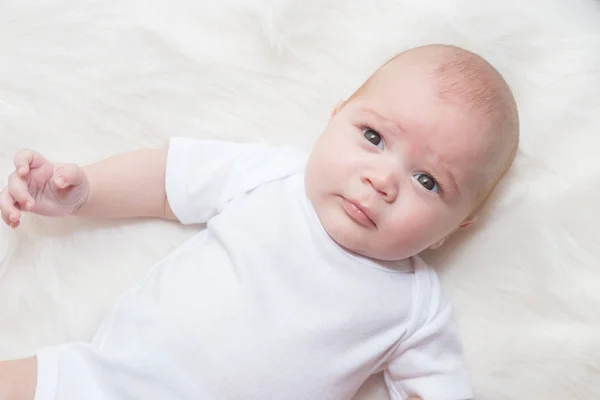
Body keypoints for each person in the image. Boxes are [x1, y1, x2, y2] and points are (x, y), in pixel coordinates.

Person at [0, 44, 519, 400]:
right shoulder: (273, 176)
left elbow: (437, 388)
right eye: (374, 137)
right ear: (335, 116)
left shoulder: (417, 307)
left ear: (458, 225)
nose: (383, 180)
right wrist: (83, 192)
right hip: (104, 384)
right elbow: (165, 179)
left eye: (428, 181)